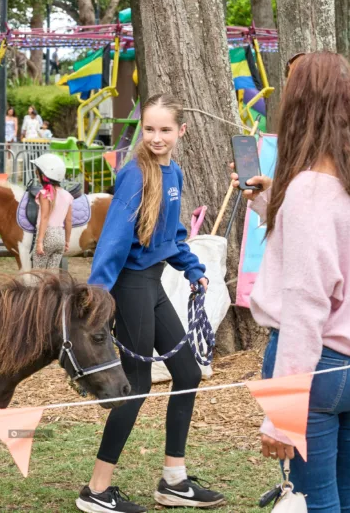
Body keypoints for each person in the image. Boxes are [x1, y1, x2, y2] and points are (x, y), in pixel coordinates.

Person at [233, 51, 350, 513]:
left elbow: (306, 307)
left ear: (299, 106)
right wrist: (273, 201)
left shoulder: (310, 190)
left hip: (319, 367)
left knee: (315, 504)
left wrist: (282, 415)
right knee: (347, 501)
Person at [79, 94, 223, 513]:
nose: (156, 137)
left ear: (181, 132)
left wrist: (192, 268)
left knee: (187, 372)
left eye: (165, 129)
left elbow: (170, 235)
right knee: (136, 387)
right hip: (128, 286)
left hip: (153, 282)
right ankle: (97, 490)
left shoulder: (172, 171)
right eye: (149, 129)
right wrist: (98, 294)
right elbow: (114, 240)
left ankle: (174, 481)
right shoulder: (134, 175)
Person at [31, 154, 72, 270]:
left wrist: (39, 242)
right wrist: (67, 241)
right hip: (60, 237)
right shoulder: (68, 195)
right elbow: (69, 221)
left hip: (47, 236)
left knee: (38, 276)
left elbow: (44, 217)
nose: (37, 177)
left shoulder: (45, 194)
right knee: (51, 277)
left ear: (43, 176)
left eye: (37, 174)